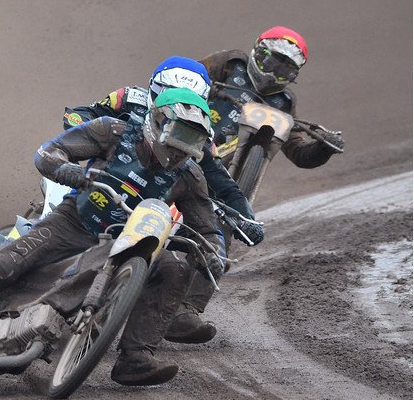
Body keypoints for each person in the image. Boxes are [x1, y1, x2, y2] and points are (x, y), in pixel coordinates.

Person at [0, 78, 226, 386]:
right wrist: (71, 172)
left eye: (193, 141)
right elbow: (48, 153)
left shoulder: (190, 175)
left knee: (171, 269)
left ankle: (135, 359)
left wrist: (212, 252)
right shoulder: (113, 130)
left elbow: (206, 228)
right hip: (73, 223)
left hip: (128, 243)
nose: (181, 149)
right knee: (7, 262)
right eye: (180, 134)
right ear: (157, 122)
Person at [62, 56, 266, 344]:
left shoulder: (198, 137)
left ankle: (178, 313)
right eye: (168, 94)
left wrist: (247, 218)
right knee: (56, 213)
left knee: (202, 240)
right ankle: (17, 247)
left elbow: (224, 184)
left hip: (150, 202)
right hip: (96, 181)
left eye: (189, 100)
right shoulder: (128, 98)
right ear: (154, 90)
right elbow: (83, 113)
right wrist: (82, 131)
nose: (177, 105)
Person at [165, 26, 344, 341]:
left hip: (222, 182)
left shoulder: (284, 102)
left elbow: (299, 150)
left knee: (223, 233)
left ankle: (185, 312)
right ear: (258, 52)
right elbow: (183, 79)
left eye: (286, 68)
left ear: (294, 74)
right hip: (181, 142)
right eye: (273, 61)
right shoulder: (229, 63)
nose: (276, 72)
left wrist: (323, 147)